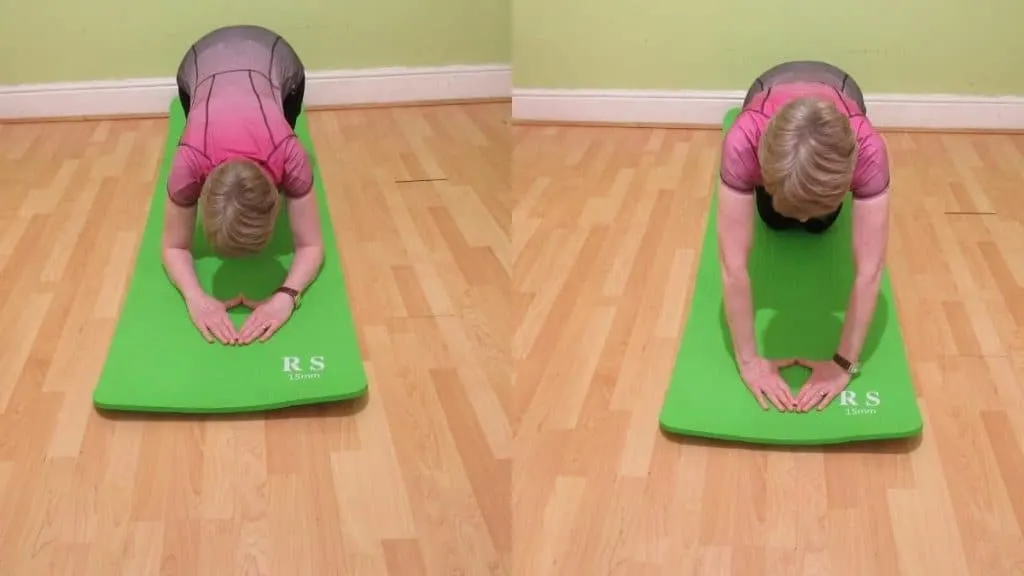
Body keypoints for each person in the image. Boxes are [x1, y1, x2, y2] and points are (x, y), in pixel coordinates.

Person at [717, 61, 891, 413]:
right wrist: (749, 363)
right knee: (777, 221)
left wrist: (843, 366)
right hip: (765, 94)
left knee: (818, 224)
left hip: (844, 90)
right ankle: (786, 202)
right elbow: (733, 266)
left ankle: (812, 206)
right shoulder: (742, 140)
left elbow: (870, 271)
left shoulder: (868, 148)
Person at [160, 25, 325, 346]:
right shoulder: (188, 159)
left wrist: (286, 297)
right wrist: (195, 298)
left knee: (283, 132)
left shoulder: (288, 152)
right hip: (199, 59)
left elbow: (311, 244)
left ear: (275, 203)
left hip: (277, 54)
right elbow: (173, 245)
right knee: (198, 114)